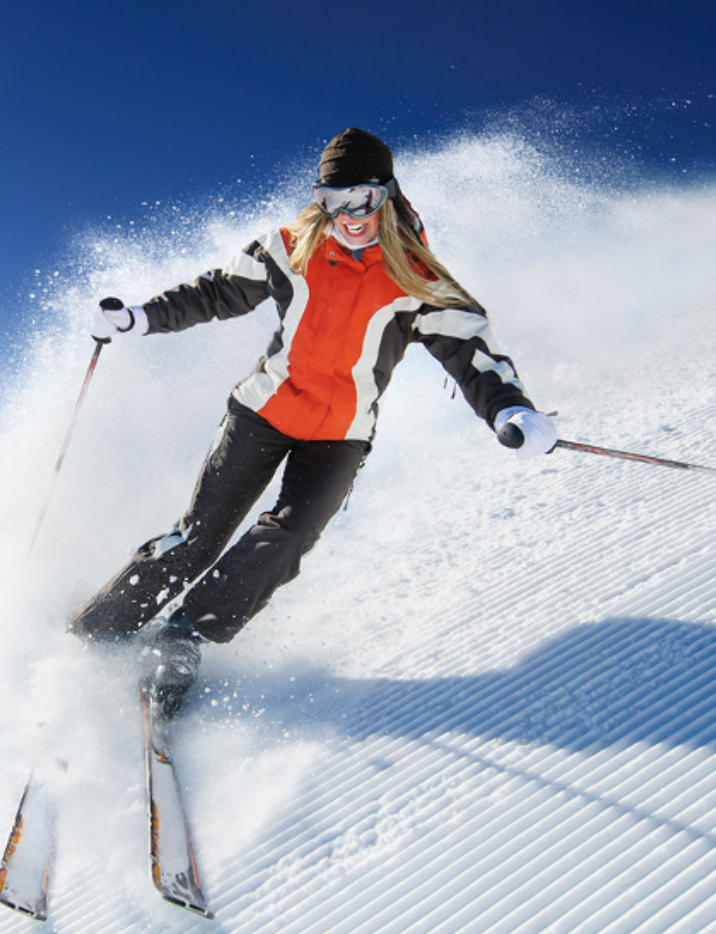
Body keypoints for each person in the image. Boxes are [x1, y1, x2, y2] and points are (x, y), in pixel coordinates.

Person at [68, 127, 558, 717]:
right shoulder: (289, 247)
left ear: (389, 195)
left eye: (364, 199)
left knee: (289, 538)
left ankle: (183, 639)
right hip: (264, 412)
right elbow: (217, 293)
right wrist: (140, 319)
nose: (348, 214)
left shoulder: (418, 278)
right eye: (333, 199)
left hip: (339, 436)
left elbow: (472, 350)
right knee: (200, 534)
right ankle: (101, 628)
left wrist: (511, 408)